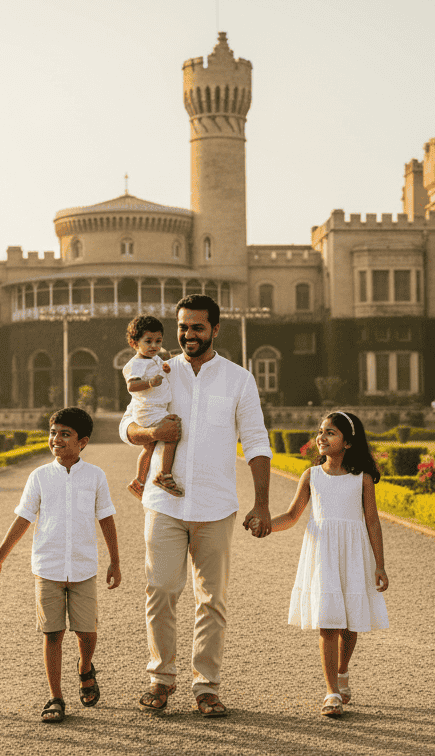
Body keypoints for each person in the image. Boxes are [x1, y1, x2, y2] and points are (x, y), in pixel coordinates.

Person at [118, 294, 273, 718]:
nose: (188, 335)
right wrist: (147, 435)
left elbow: (257, 440)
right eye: (183, 327)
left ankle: (206, 686)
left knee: (212, 600)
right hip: (163, 502)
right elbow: (127, 424)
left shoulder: (238, 379)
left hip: (216, 503)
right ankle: (160, 678)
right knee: (162, 590)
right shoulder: (160, 370)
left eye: (197, 327)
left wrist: (261, 502)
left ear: (215, 329)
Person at [0, 407, 121, 724]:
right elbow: (23, 519)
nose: (56, 439)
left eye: (65, 434)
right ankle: (55, 697)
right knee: (53, 633)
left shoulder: (95, 477)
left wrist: (115, 561)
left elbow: (106, 518)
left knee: (87, 633)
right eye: (53, 432)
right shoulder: (39, 476)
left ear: (83, 441)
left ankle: (84, 666)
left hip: (83, 568)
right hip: (47, 567)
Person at [269, 411, 389, 718]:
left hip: (353, 552)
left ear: (348, 443)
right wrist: (266, 525)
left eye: (331, 433)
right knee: (329, 620)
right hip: (322, 552)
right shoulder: (312, 476)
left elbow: (373, 522)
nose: (321, 436)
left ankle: (343, 669)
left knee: (350, 622)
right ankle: (331, 691)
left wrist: (380, 565)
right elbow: (293, 515)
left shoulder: (361, 478)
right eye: (321, 431)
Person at [122, 315, 181, 498]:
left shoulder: (152, 358)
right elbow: (131, 386)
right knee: (171, 435)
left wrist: (164, 368)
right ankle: (164, 475)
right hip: (149, 409)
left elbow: (160, 364)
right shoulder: (136, 364)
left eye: (158, 341)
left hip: (154, 408)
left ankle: (139, 481)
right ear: (134, 343)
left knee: (149, 447)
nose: (154, 346)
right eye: (148, 341)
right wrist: (149, 383)